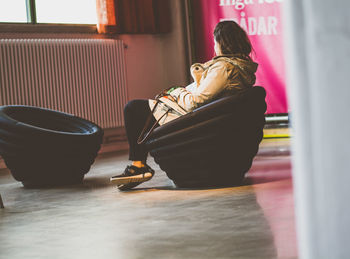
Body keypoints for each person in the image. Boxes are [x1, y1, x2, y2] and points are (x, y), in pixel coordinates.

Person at [110, 21, 258, 190]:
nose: (215, 46)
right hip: (201, 117)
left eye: (215, 41)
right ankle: (138, 166)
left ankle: (138, 165)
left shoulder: (224, 68)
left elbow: (196, 101)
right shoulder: (239, 66)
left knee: (133, 109)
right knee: (140, 111)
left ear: (222, 42)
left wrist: (177, 92)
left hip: (191, 118)